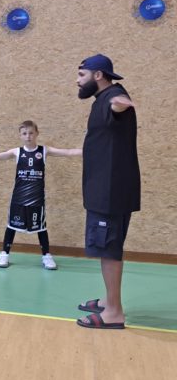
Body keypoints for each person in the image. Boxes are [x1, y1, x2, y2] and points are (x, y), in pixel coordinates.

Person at [0, 120, 81, 269]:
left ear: (37, 133)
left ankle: (47, 256)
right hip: (18, 198)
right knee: (11, 226)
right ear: (20, 135)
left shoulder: (44, 150)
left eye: (31, 133)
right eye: (24, 133)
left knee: (41, 227)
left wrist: (90, 149)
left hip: (36, 198)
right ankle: (4, 254)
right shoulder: (16, 152)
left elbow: (68, 152)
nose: (28, 136)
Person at [75, 54, 139, 330]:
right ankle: (108, 300)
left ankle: (114, 312)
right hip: (106, 189)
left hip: (110, 191)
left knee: (109, 250)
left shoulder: (113, 96)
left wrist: (122, 104)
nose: (78, 81)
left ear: (98, 75)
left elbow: (119, 104)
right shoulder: (102, 99)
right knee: (106, 248)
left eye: (82, 75)